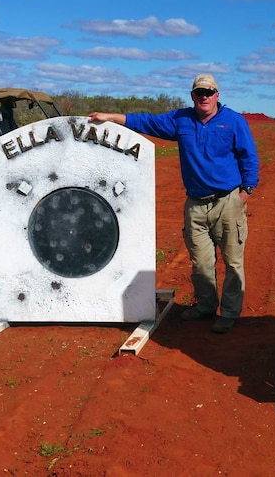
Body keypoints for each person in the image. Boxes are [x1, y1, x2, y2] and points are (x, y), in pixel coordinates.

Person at [89, 74, 259, 334]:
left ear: (217, 95)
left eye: (209, 92)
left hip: (228, 202)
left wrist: (245, 192)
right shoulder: (182, 120)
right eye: (199, 92)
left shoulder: (234, 121)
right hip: (195, 204)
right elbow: (146, 121)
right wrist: (111, 117)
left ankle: (229, 313)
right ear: (192, 95)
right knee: (201, 261)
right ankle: (205, 305)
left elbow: (249, 157)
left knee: (232, 261)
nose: (204, 97)